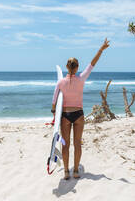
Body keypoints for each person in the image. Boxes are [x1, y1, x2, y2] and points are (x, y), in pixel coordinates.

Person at [51, 38, 110, 180]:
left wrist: (55, 114)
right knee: (77, 144)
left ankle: (66, 172)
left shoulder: (60, 82)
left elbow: (54, 101)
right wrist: (101, 49)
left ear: (67, 66)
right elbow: (92, 64)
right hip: (79, 115)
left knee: (65, 144)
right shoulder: (82, 78)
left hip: (65, 115)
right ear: (77, 68)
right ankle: (76, 170)